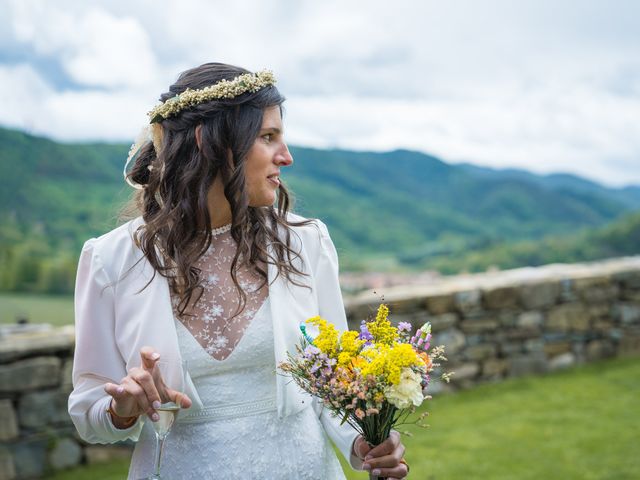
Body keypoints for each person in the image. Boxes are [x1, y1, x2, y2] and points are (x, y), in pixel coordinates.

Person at [68, 62, 410, 479]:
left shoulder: (306, 244)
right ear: (210, 143)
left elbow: (334, 386)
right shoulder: (112, 260)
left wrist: (364, 443)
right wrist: (121, 410)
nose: (286, 156)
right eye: (268, 137)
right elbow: (88, 409)